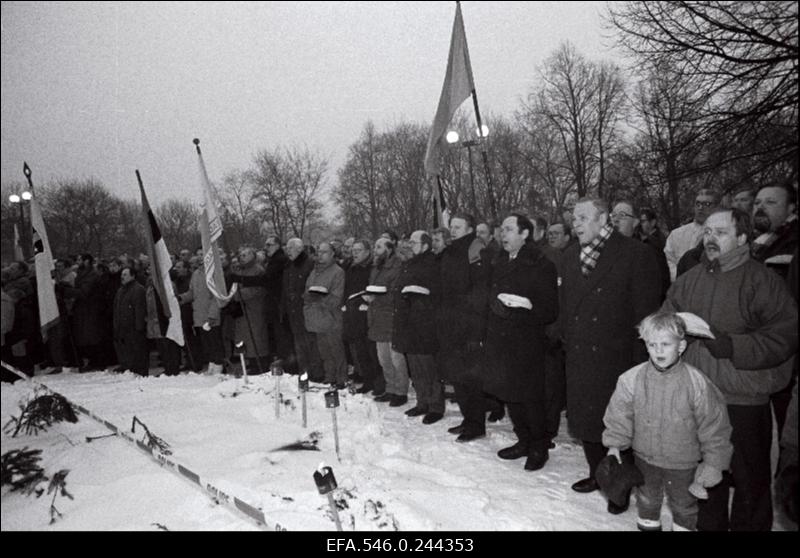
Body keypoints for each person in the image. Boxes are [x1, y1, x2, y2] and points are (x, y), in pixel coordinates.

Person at [661, 207, 797, 531]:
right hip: (698, 399)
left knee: (751, 487)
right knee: (706, 482)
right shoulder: (689, 279)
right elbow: (666, 317)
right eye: (707, 231)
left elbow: (785, 336)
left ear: (741, 237)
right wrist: (669, 333)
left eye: (720, 232)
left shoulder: (762, 280)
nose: (710, 238)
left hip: (743, 402)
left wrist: (734, 346)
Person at [560, 197, 661, 513]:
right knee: (588, 421)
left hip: (617, 356)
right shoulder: (568, 257)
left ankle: (619, 485)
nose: (575, 223)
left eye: (582, 217)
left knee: (617, 423)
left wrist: (637, 362)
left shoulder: (635, 254)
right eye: (573, 218)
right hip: (579, 352)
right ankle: (596, 473)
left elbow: (645, 311)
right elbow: (565, 305)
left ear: (603, 218)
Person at [602, 311, 733, 531]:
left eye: (666, 344)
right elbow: (619, 415)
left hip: (683, 464)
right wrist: (614, 445)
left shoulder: (697, 383)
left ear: (681, 347)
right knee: (647, 502)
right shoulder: (631, 379)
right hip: (645, 459)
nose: (659, 351)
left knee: (684, 507)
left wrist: (714, 463)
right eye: (652, 345)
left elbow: (715, 427)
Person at [484, 214, 559, 470]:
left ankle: (539, 446)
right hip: (501, 340)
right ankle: (523, 440)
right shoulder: (500, 261)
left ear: (525, 234)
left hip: (527, 341)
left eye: (508, 229)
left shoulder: (541, 264)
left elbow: (550, 310)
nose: (502, 235)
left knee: (530, 397)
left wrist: (527, 307)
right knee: (510, 394)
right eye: (501, 230)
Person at [437, 213, 492, 442]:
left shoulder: (476, 250)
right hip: (450, 324)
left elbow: (480, 292)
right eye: (452, 226)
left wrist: (475, 331)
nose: (453, 230)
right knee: (457, 377)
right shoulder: (450, 251)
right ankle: (467, 418)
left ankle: (476, 423)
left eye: (458, 226)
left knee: (471, 379)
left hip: (468, 326)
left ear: (470, 229)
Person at [393, 230, 443, 424]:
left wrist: (419, 298)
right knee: (415, 367)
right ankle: (422, 402)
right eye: (410, 242)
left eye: (414, 243)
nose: (410, 246)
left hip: (424, 324)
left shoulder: (432, 264)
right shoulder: (409, 264)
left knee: (428, 368)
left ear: (425, 245)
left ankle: (435, 406)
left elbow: (436, 294)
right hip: (408, 323)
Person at [365, 237, 408, 406]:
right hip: (377, 317)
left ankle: (401, 390)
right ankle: (390, 388)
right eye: (375, 246)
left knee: (396, 358)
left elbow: (395, 294)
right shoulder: (376, 267)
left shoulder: (397, 267)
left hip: (390, 317)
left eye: (379, 246)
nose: (375, 250)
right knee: (383, 358)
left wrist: (376, 298)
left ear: (389, 249)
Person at [342, 239, 383, 395]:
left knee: (372, 351)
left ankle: (379, 383)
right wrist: (344, 304)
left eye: (359, 250)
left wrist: (367, 302)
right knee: (360, 351)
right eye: (354, 250)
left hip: (367, 312)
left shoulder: (371, 268)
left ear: (367, 252)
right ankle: (367, 381)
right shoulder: (350, 268)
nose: (355, 253)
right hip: (352, 312)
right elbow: (347, 289)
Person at [304, 242, 347, 388]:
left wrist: (321, 297)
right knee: (324, 351)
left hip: (331, 317)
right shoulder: (314, 271)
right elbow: (307, 289)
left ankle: (341, 378)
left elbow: (336, 297)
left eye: (324, 252)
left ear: (332, 254)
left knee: (336, 349)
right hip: (316, 317)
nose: (320, 255)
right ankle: (330, 376)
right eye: (319, 252)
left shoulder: (337, 272)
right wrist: (308, 296)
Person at [282, 238, 324, 380]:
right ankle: (304, 373)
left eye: (290, 248)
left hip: (308, 310)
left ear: (299, 249)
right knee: (299, 345)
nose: (288, 251)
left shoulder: (310, 264)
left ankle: (317, 374)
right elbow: (285, 288)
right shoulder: (289, 266)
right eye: (287, 249)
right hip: (293, 312)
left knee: (312, 344)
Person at [612, 201, 670, 300]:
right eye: (613, 215)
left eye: (622, 215)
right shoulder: (605, 248)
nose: (616, 220)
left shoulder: (648, 249)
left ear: (635, 222)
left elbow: (660, 287)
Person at [178, 258, 224, 374]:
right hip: (199, 315)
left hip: (211, 315)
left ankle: (219, 366)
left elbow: (217, 295)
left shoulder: (214, 272)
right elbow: (192, 292)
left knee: (215, 343)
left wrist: (213, 314)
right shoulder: (196, 274)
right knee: (207, 344)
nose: (199, 258)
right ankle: (212, 365)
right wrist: (181, 298)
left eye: (201, 254)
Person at [230, 246, 270, 374]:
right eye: (241, 255)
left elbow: (259, 289)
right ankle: (251, 362)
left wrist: (238, 294)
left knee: (257, 337)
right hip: (243, 309)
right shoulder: (241, 270)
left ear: (253, 256)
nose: (242, 257)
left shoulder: (257, 270)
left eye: (245, 255)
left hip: (255, 308)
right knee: (245, 337)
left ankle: (260, 363)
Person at [664, 188, 718, 282]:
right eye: (698, 204)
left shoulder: (721, 236)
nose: (701, 208)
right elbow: (668, 261)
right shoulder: (676, 234)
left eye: (707, 204)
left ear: (716, 208)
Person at [113, 266, 148, 376]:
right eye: (122, 275)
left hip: (133, 326)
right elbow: (116, 308)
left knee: (137, 349)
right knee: (126, 349)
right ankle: (129, 367)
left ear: (132, 276)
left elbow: (139, 309)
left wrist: (139, 327)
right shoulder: (121, 290)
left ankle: (139, 370)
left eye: (125, 275)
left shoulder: (138, 289)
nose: (122, 277)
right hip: (123, 326)